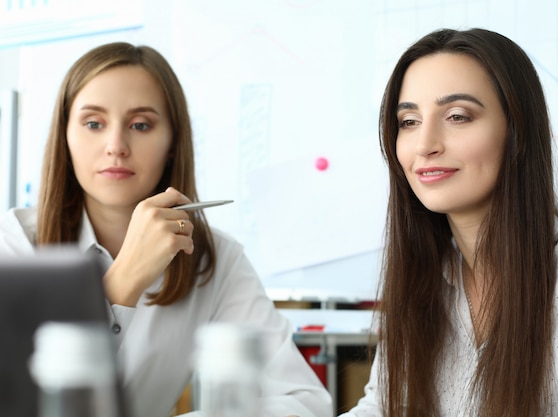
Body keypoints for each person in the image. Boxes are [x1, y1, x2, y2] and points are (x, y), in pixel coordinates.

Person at [0, 42, 332, 417]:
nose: (116, 146)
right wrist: (124, 279)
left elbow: (303, 400)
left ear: (173, 142)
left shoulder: (214, 259)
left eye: (140, 125)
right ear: (65, 136)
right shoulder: (13, 243)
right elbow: (22, 402)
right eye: (94, 123)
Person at [340, 28, 558, 417]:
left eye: (457, 116)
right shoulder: (427, 280)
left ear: (516, 131)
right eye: (408, 121)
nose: (425, 144)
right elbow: (382, 407)